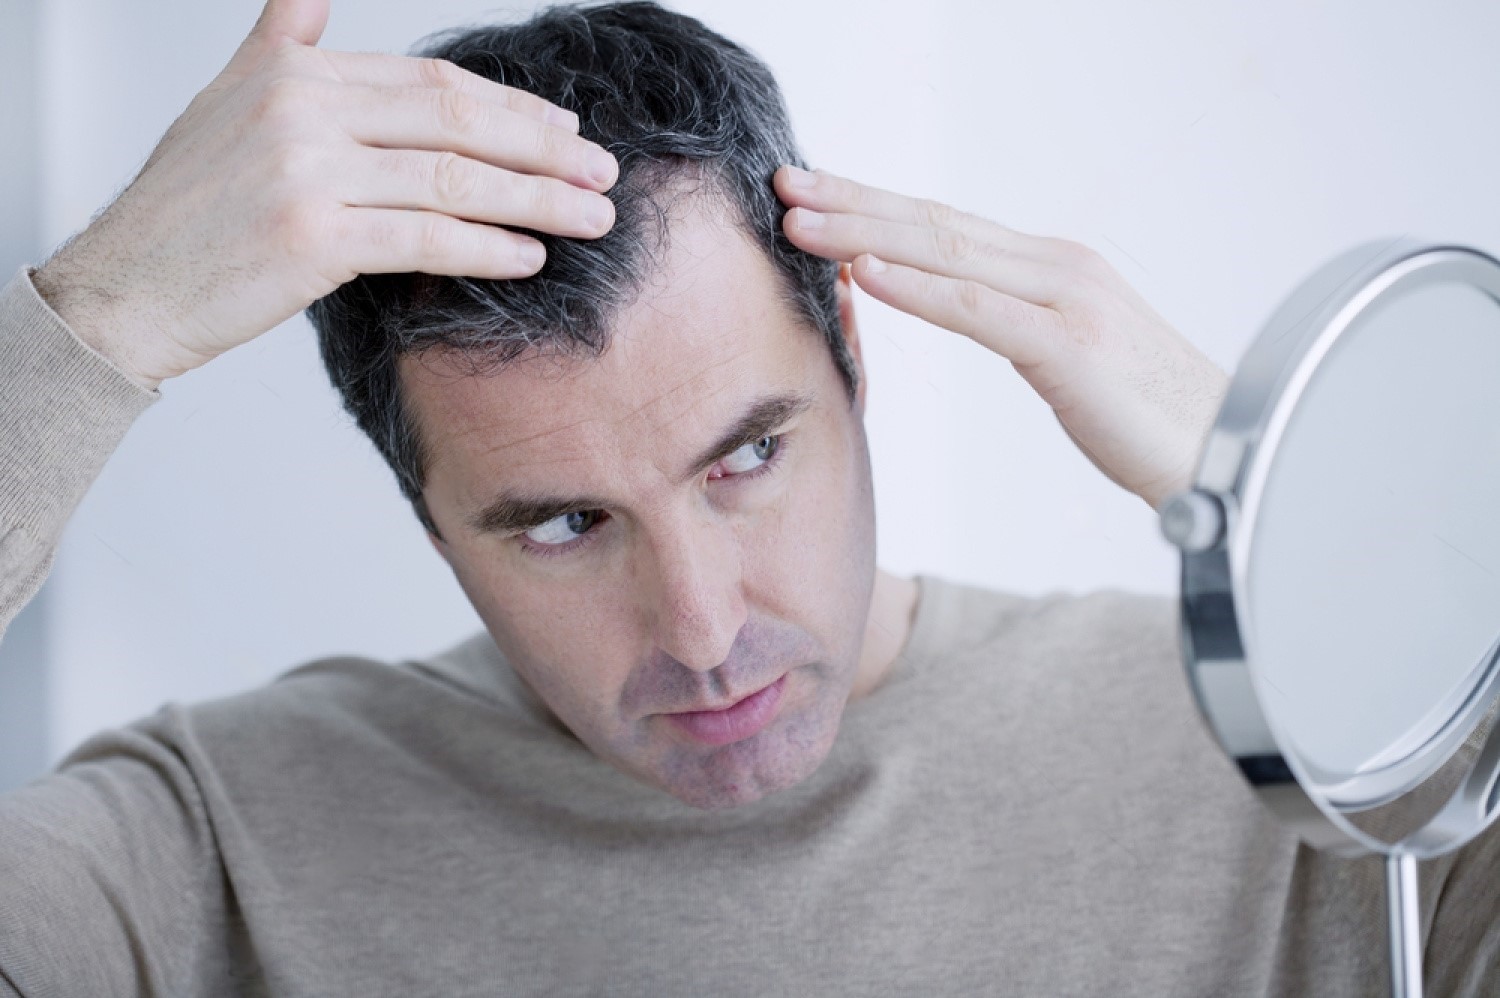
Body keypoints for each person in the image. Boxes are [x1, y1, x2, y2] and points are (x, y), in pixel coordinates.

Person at [0, 1, 1494, 995]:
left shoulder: (1310, 762)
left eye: (747, 456)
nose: (706, 630)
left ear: (850, 347)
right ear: (424, 508)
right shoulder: (213, 846)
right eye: (565, 523)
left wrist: (1292, 503)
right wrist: (95, 324)